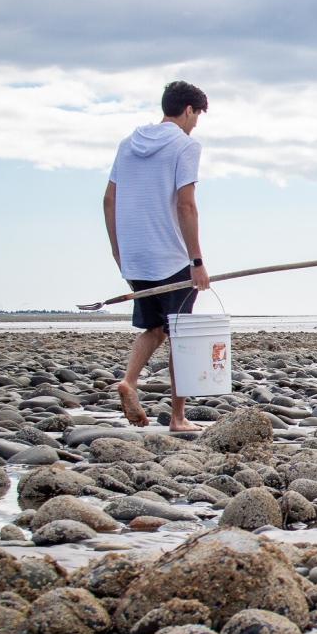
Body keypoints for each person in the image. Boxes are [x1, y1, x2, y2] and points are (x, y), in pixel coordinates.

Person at [103, 80, 212, 432]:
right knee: (179, 335)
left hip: (136, 253)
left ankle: (129, 382)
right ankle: (178, 418)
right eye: (197, 116)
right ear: (189, 110)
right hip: (171, 255)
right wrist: (196, 261)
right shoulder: (185, 146)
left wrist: (120, 253)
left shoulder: (127, 144)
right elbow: (186, 204)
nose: (196, 123)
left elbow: (109, 200)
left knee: (154, 328)